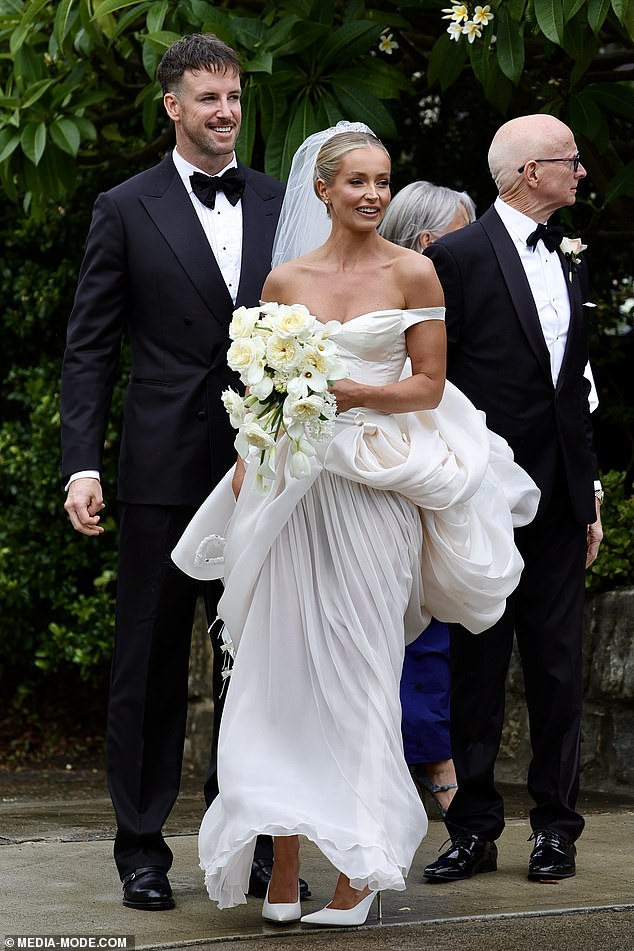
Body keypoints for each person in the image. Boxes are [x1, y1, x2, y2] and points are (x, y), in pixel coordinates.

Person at [172, 122, 539, 925]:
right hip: (292, 490)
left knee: (363, 671)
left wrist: (347, 395)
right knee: (278, 674)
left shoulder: (415, 271)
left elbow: (431, 385)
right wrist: (246, 484)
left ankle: (362, 867)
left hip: (375, 488)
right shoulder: (282, 281)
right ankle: (284, 865)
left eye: (383, 180)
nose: (374, 194)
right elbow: (263, 401)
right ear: (324, 190)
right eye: (358, 182)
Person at [60, 33, 286, 910]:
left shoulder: (279, 201)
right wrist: (83, 462)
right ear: (173, 107)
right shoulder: (124, 206)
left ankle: (262, 837)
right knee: (149, 664)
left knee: (261, 665)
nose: (225, 112)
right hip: (158, 471)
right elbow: (89, 350)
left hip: (264, 473)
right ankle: (142, 847)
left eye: (233, 97)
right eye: (207, 99)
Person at [422, 114, 603, 885]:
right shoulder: (455, 259)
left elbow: (577, 388)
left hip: (560, 499)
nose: (582, 171)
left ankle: (557, 828)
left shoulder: (573, 256)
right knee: (477, 669)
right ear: (531, 172)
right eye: (570, 159)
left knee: (561, 670)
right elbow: (434, 383)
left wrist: (589, 492)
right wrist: (445, 488)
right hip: (484, 498)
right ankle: (473, 828)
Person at [379, 181, 476, 818]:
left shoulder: (460, 289)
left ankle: (437, 751)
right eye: (464, 234)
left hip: (450, 460)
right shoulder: (398, 284)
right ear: (428, 241)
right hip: (390, 456)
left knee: (436, 614)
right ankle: (427, 758)